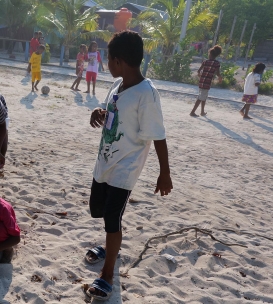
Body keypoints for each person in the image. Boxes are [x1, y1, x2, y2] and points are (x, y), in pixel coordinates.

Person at [84, 30, 172, 301]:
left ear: (119, 61)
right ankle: (111, 247)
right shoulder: (117, 85)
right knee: (96, 210)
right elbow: (112, 111)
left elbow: (158, 136)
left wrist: (164, 173)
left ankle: (107, 273)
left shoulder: (147, 94)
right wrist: (98, 113)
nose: (106, 65)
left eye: (108, 60)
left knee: (112, 217)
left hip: (126, 168)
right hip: (105, 162)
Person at [190, 45, 223, 117]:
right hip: (207, 82)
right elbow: (217, 73)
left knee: (203, 97)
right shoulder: (216, 63)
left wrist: (201, 76)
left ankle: (202, 112)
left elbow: (198, 71)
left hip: (202, 81)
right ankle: (192, 112)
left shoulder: (205, 62)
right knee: (201, 97)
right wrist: (220, 78)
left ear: (210, 54)